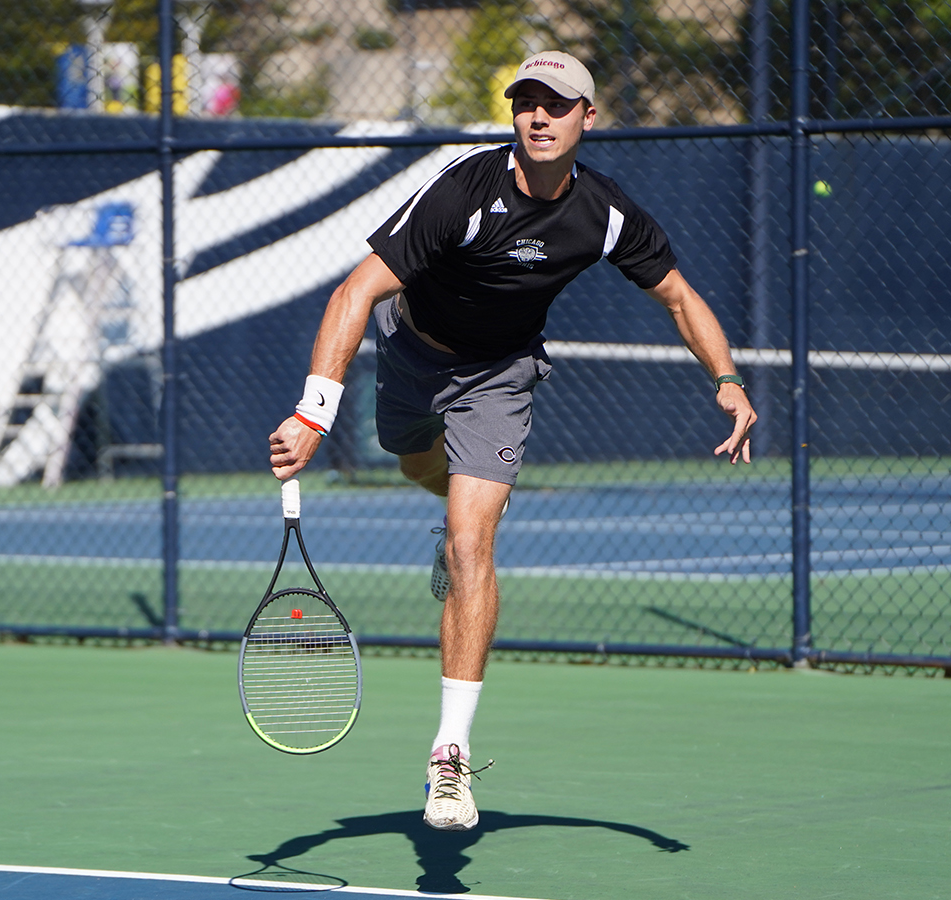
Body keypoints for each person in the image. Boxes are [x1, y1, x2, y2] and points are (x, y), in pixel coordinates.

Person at [269, 51, 756, 832]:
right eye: (526, 101)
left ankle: (449, 757)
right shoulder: (464, 190)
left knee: (472, 545)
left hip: (500, 375)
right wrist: (314, 413)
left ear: (586, 119)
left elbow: (678, 296)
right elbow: (355, 290)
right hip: (413, 354)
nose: (538, 115)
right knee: (413, 462)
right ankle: (454, 509)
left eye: (556, 104)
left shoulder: (605, 212)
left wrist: (727, 380)